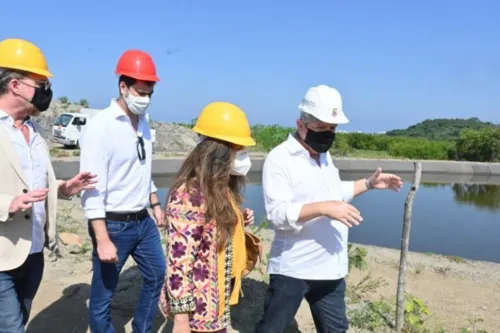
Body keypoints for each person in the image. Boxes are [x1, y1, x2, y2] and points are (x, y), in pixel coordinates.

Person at [254, 85, 403, 333]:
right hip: (294, 269)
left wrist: (369, 184)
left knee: (336, 330)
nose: (328, 134)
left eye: (332, 128)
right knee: (272, 328)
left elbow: (335, 193)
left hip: (331, 269)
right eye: (321, 128)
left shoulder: (324, 156)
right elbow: (278, 215)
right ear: (301, 124)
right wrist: (325, 208)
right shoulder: (280, 159)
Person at [0, 38, 97, 333]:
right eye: (40, 84)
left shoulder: (35, 129)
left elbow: (37, 183)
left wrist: (63, 189)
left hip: (34, 251)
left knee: (21, 318)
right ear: (16, 84)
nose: (46, 92)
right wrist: (9, 203)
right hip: (2, 253)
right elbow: (16, 195)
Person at [79, 49, 166, 333]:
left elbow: (143, 169)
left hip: (143, 221)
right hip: (113, 224)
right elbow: (91, 190)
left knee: (157, 275)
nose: (145, 99)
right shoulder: (100, 127)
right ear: (123, 86)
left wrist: (155, 203)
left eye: (150, 93)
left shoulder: (144, 124)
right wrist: (102, 238)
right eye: (141, 92)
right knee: (104, 296)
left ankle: (142, 328)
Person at [159, 102, 256, 333]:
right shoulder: (189, 195)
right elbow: (179, 263)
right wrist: (181, 321)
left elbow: (209, 229)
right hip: (197, 315)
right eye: (240, 149)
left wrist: (238, 218)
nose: (244, 156)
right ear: (220, 151)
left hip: (215, 308)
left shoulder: (219, 187)